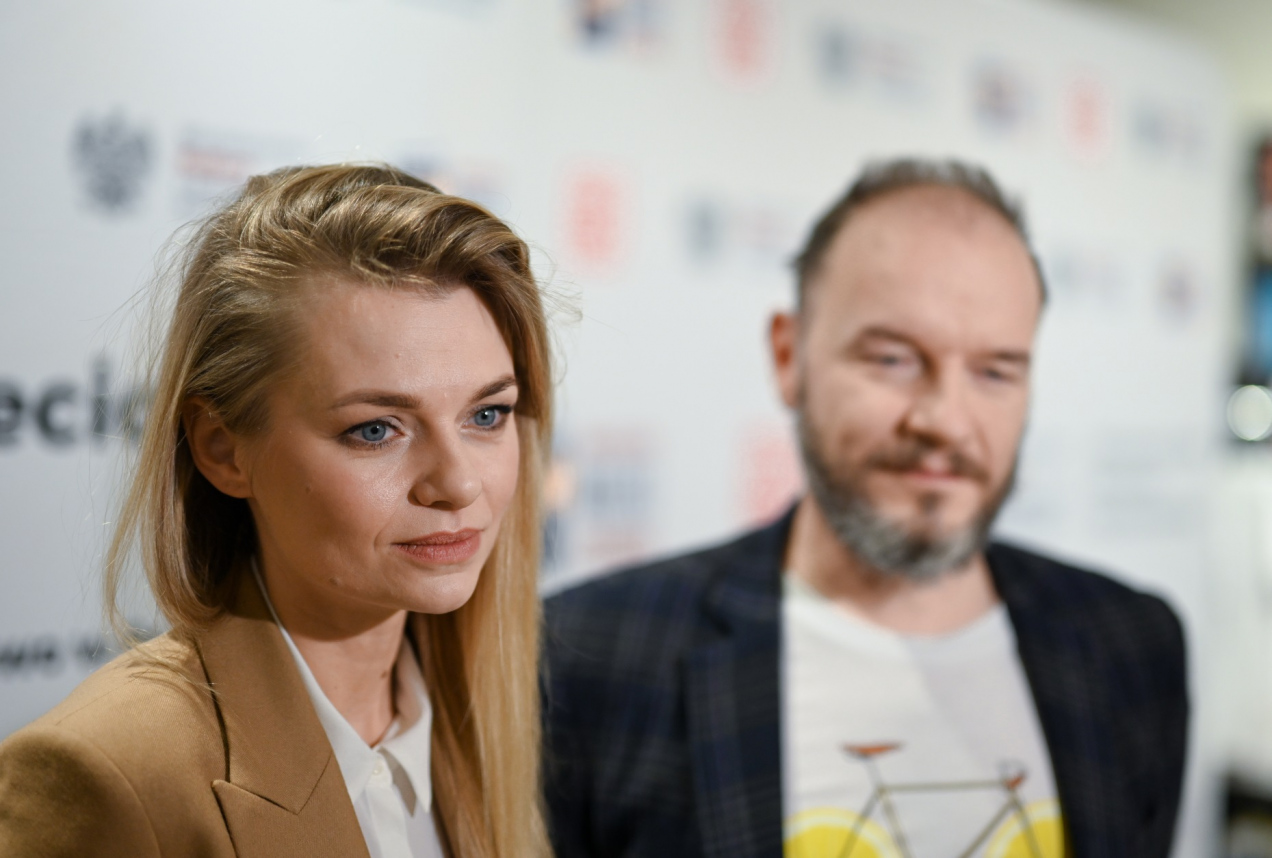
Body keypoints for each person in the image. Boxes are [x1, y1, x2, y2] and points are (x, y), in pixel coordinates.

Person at [543, 159, 1188, 858]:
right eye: (893, 360)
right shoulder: (588, 655)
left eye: (995, 371)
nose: (946, 421)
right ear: (788, 357)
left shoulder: (1132, 644)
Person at [0, 164, 554, 858]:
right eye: (375, 429)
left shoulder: (484, 726)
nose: (458, 484)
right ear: (223, 449)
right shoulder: (114, 775)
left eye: (487, 414)